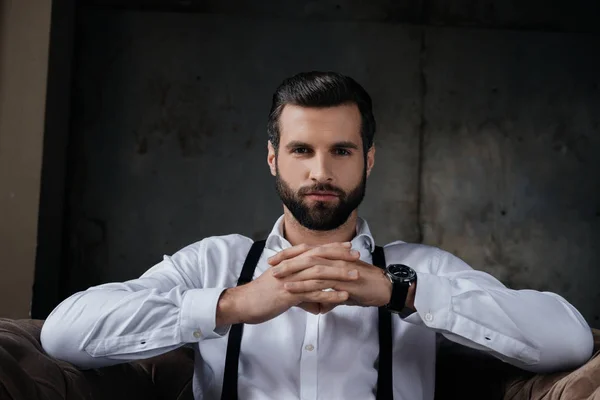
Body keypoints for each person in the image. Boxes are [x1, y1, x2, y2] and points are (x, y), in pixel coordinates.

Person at [41, 71, 593, 400]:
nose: (320, 172)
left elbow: (568, 340)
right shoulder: (214, 263)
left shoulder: (421, 267)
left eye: (342, 151)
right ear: (272, 157)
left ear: (369, 160)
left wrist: (401, 292)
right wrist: (233, 304)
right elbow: (63, 335)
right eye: (302, 150)